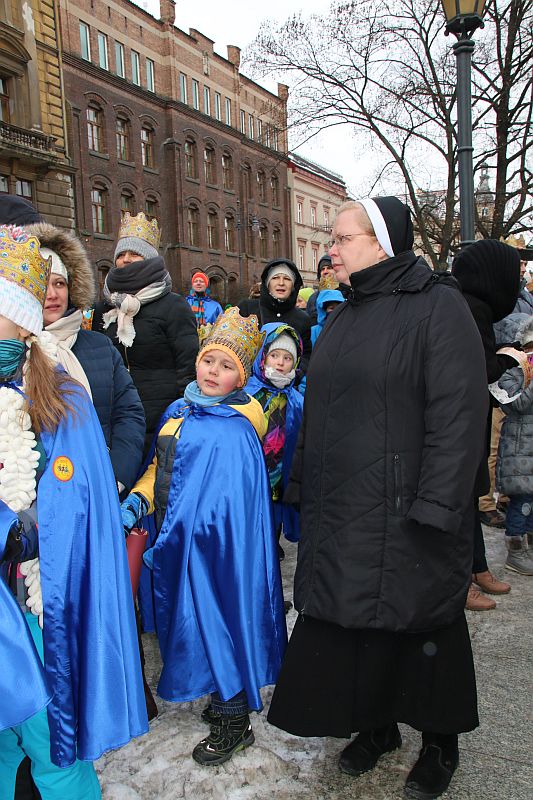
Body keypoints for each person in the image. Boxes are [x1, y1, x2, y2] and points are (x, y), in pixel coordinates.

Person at [267, 197, 488, 800]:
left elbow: (461, 416)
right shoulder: (341, 315)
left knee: (422, 627)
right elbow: (318, 409)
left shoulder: (437, 307)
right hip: (344, 508)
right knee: (354, 626)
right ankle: (378, 726)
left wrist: (440, 506)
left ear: (381, 242)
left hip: (408, 508)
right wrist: (303, 484)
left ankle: (441, 742)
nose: (329, 250)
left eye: (340, 238)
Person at [0, 225, 148, 799]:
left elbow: (75, 500)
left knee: (47, 742)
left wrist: (24, 529)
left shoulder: (62, 394)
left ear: (23, 321)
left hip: (32, 606)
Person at [120, 307, 287, 767]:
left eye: (227, 366)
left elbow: (233, 504)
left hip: (215, 550)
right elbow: (163, 469)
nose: (214, 371)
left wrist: (193, 533)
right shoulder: (179, 410)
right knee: (192, 623)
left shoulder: (236, 432)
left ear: (241, 377)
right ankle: (221, 694)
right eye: (209, 360)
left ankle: (235, 719)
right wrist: (140, 499)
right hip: (180, 541)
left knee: (219, 621)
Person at [26, 220, 146, 498]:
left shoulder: (100, 346)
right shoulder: (13, 353)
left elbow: (128, 413)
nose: (53, 294)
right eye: (42, 283)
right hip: (37, 500)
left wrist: (117, 476)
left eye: (59, 283)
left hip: (99, 486)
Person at [92, 212, 198, 455]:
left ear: (150, 259)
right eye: (121, 254)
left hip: (161, 420)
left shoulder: (174, 306)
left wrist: (181, 417)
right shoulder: (105, 306)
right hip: (116, 419)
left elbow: (187, 367)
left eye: (134, 253)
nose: (126, 260)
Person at [452, 239, 520, 610]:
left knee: (470, 497)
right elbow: (477, 367)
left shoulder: (475, 305)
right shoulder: (470, 306)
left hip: (470, 415)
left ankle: (477, 567)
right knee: (461, 499)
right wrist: (509, 360)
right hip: (460, 420)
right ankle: (459, 580)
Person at [245, 324, 304, 565]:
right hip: (251, 481)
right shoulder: (248, 395)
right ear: (263, 356)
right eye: (274, 355)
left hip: (279, 483)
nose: (280, 362)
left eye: (287, 358)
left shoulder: (297, 401)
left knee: (272, 531)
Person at [494, 315, 533, 575]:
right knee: (522, 500)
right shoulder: (507, 372)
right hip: (519, 447)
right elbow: (516, 404)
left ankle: (528, 545)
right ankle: (516, 549)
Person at [238, 259, 312, 376]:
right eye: (275, 277)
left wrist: (297, 374)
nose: (281, 283)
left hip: (285, 387)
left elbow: (306, 354)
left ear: (293, 286)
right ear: (267, 283)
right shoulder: (247, 309)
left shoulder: (302, 319)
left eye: (287, 279)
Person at [306, 253, 336, 323]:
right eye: (322, 269)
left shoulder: (345, 293)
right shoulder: (313, 298)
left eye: (329, 268)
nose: (325, 272)